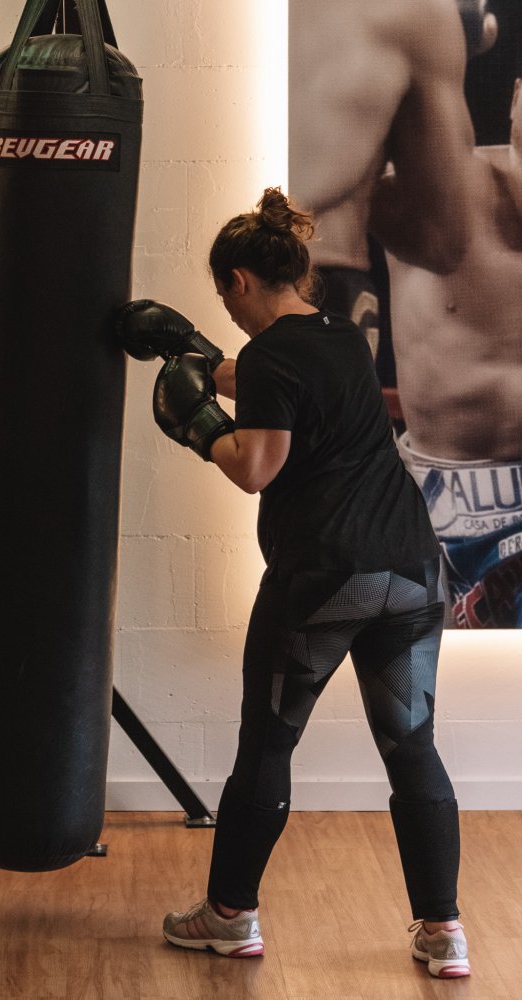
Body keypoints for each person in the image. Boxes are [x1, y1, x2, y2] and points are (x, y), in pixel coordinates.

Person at [117, 189, 468, 978]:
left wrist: (200, 427)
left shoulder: (274, 356)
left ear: (240, 280)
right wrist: (202, 357)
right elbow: (273, 380)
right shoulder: (340, 334)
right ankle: (444, 932)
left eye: (224, 299)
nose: (230, 313)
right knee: (412, 748)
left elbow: (257, 466)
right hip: (411, 572)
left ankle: (230, 916)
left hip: (323, 578)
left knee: (267, 746)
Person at [374, 41, 522, 628]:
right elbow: (309, 201)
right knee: (424, 690)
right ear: (515, 99)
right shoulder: (431, 194)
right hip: (440, 499)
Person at [289, 0, 482, 371]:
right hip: (321, 289)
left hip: (191, 266)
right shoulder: (415, 11)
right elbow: (443, 237)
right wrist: (359, 178)